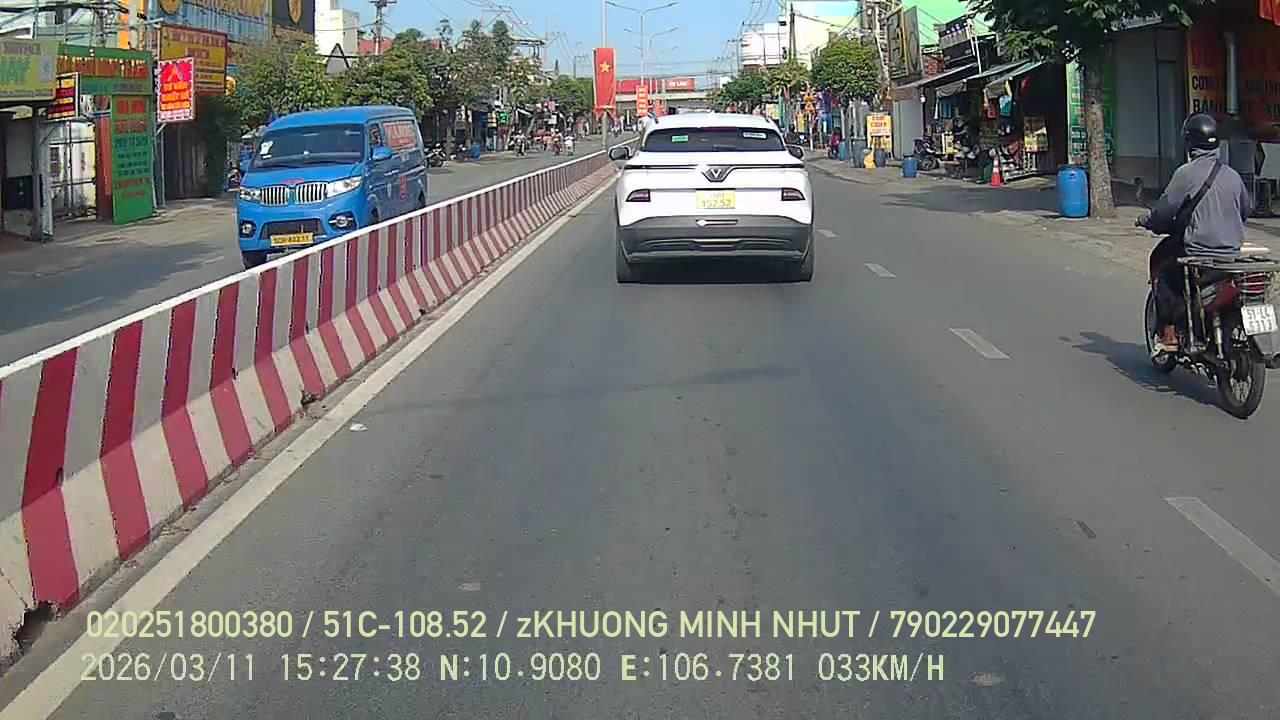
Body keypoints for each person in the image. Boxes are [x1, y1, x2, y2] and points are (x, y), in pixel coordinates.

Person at [1141, 113, 1253, 354]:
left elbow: (1164, 212)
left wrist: (1148, 222)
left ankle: (1169, 336)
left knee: (1164, 274)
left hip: (1198, 253)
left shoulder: (1186, 173)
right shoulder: (1232, 175)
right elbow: (1246, 210)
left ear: (1189, 142)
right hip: (1231, 255)